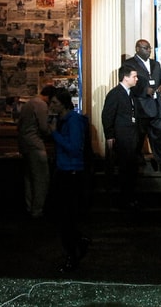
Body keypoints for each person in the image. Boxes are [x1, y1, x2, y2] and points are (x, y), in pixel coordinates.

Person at [47, 88, 91, 273]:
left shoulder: (73, 121)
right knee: (63, 216)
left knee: (66, 217)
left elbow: (74, 147)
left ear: (64, 104)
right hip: (64, 169)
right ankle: (77, 245)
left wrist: (55, 134)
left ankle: (72, 255)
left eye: (55, 103)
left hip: (71, 172)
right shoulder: (63, 120)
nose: (51, 106)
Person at [124, 39, 161, 174]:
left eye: (149, 48)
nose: (149, 50)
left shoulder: (155, 64)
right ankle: (138, 164)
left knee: (159, 137)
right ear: (137, 49)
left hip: (157, 107)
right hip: (140, 107)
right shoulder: (129, 64)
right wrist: (144, 90)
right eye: (145, 48)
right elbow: (127, 84)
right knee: (138, 138)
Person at [102, 64, 142, 210]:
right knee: (125, 169)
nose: (137, 79)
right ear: (125, 77)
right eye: (134, 76)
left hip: (131, 137)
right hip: (122, 138)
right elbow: (107, 115)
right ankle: (124, 199)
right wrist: (110, 135)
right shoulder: (115, 94)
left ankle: (129, 197)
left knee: (131, 169)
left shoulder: (131, 94)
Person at [16, 84, 55, 218]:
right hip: (35, 144)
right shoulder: (41, 105)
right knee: (41, 178)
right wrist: (53, 128)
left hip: (24, 144)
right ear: (49, 97)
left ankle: (29, 206)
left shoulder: (28, 103)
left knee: (29, 178)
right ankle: (37, 210)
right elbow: (44, 128)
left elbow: (19, 126)